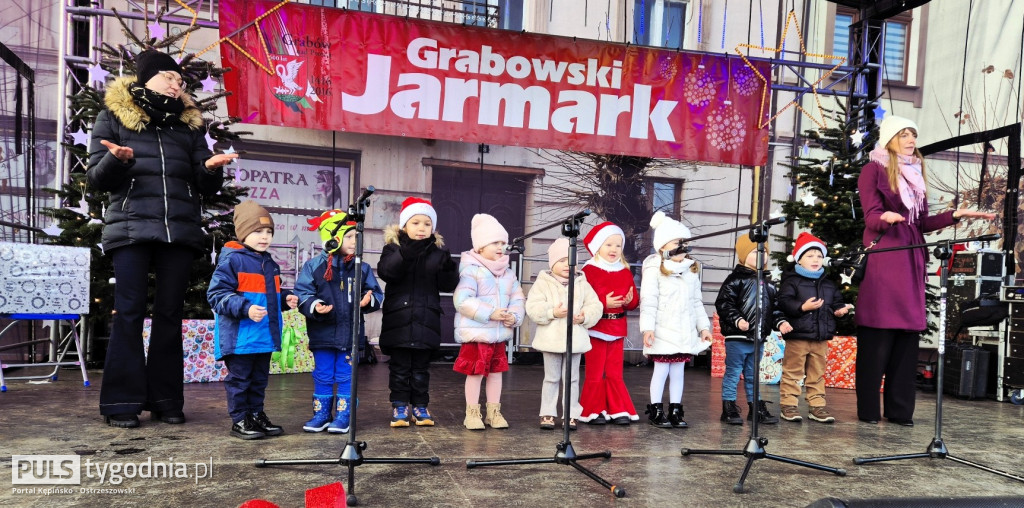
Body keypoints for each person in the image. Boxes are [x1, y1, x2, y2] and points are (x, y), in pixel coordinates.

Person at [88, 49, 238, 428]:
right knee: (130, 313)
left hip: (180, 231)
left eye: (181, 81)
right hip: (132, 229)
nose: (177, 86)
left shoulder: (189, 127)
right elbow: (95, 180)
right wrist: (116, 160)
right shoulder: (113, 117)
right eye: (170, 78)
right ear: (147, 78)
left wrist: (210, 168)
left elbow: (204, 185)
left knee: (170, 316)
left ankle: (167, 400)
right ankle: (121, 403)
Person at [856, 115, 994, 426]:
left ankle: (900, 411)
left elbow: (921, 223)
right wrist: (887, 217)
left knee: (907, 338)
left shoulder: (916, 175)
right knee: (878, 337)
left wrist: (953, 215)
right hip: (888, 256)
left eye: (913, 134)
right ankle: (868, 412)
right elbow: (870, 216)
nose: (910, 139)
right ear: (890, 139)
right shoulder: (873, 169)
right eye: (904, 134)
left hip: (911, 258)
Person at [207, 201, 294, 439]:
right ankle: (239, 419)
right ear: (243, 233)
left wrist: (285, 299)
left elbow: (270, 295)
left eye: (269, 232)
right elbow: (216, 296)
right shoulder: (232, 260)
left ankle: (256, 414)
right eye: (257, 232)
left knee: (258, 381)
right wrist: (245, 308)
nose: (264, 237)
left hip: (263, 336)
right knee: (240, 381)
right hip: (240, 339)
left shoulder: (270, 264)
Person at [294, 209, 383, 434]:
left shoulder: (361, 267)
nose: (355, 241)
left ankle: (344, 415)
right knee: (323, 374)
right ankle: (322, 414)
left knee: (346, 374)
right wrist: (315, 305)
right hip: (322, 334)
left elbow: (376, 294)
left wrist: (368, 300)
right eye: (349, 236)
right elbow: (302, 293)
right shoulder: (313, 267)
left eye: (356, 236)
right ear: (332, 238)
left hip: (350, 335)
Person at [376, 197, 460, 427]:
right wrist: (406, 254)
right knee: (400, 368)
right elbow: (387, 272)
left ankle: (421, 406)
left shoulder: (437, 252)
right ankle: (400, 406)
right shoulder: (393, 248)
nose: (421, 228)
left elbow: (446, 285)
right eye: (415, 223)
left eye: (426, 223)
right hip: (399, 319)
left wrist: (450, 271)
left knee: (421, 369)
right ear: (403, 226)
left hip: (426, 319)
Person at [638, 212, 712, 429]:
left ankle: (676, 409)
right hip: (663, 331)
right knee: (661, 371)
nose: (682, 247)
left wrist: (703, 328)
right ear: (663, 246)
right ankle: (656, 409)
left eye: (684, 243)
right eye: (676, 243)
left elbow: (696, 302)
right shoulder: (654, 268)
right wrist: (648, 329)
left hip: (684, 332)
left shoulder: (690, 270)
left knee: (679, 371)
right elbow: (649, 300)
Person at [452, 214, 525, 430]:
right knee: (475, 373)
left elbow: (518, 298)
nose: (501, 247)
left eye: (503, 243)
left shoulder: (508, 273)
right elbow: (462, 300)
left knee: (495, 373)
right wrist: (490, 313)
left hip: (498, 334)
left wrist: (514, 315)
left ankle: (493, 412)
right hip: (477, 334)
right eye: (495, 242)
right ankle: (472, 412)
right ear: (481, 246)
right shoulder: (471, 270)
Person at [526, 238, 602, 431]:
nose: (567, 265)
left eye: (571, 260)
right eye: (561, 260)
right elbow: (533, 307)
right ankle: (548, 412)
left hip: (574, 341)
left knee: (572, 378)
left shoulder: (582, 283)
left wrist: (584, 316)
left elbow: (595, 305)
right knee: (551, 378)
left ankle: (571, 413)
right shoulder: (543, 283)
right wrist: (552, 312)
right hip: (551, 340)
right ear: (552, 263)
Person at [715, 234, 792, 425]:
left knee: (753, 374)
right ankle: (729, 407)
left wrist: (780, 321)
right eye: (755, 252)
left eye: (764, 252)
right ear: (743, 255)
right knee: (733, 372)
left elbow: (774, 308)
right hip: (737, 336)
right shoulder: (735, 280)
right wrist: (738, 319)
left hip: (758, 338)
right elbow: (724, 303)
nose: (761, 256)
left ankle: (755, 407)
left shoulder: (769, 283)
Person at [776, 232, 852, 424]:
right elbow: (784, 303)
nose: (815, 259)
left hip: (820, 337)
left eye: (819, 256)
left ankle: (817, 406)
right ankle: (789, 404)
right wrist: (802, 307)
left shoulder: (828, 284)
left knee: (817, 373)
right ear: (799, 259)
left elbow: (836, 302)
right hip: (798, 336)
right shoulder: (791, 281)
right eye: (810, 256)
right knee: (793, 372)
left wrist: (840, 311)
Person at [578, 221, 640, 425]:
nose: (614, 249)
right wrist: (604, 303)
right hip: (597, 328)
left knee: (614, 372)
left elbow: (633, 301)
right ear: (597, 246)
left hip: (617, 328)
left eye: (618, 245)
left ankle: (617, 408)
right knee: (595, 371)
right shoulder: (589, 271)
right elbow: (583, 300)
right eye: (609, 245)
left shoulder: (624, 270)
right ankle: (593, 410)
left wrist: (630, 301)